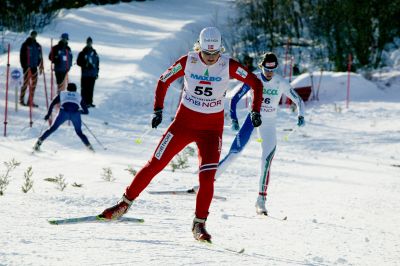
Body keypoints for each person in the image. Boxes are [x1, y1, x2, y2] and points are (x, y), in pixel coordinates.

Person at [99, 27, 263, 242]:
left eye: (214, 54)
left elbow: (256, 83)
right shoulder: (189, 61)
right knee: (155, 164)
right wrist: (158, 109)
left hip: (211, 132)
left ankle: (199, 224)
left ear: (220, 51)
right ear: (199, 48)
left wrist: (255, 110)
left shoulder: (228, 65)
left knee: (207, 179)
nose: (211, 59)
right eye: (206, 53)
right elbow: (163, 80)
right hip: (182, 125)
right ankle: (124, 204)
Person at [215, 52, 305, 215]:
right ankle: (207, 183)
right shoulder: (253, 79)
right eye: (266, 68)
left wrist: (301, 115)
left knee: (266, 160)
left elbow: (298, 100)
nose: (269, 72)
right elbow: (234, 100)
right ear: (261, 66)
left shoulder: (280, 82)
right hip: (252, 120)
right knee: (234, 154)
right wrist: (234, 119)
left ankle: (261, 199)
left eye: (273, 69)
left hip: (268, 123)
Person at [33, 83, 94, 152]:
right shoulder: (78, 95)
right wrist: (79, 112)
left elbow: (52, 103)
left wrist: (48, 114)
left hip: (63, 113)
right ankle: (90, 149)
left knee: (52, 129)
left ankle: (38, 144)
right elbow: (86, 112)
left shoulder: (62, 93)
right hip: (75, 114)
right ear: (75, 90)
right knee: (79, 133)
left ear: (67, 88)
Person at [19, 30, 44, 107]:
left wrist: (40, 65)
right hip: (27, 67)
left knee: (34, 84)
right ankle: (21, 100)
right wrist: (24, 66)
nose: (33, 36)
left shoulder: (38, 45)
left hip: (34, 67)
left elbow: (40, 56)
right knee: (26, 83)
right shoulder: (25, 44)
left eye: (35, 35)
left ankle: (30, 101)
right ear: (30, 35)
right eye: (32, 34)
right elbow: (22, 56)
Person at [77, 37, 100, 108]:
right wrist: (85, 64)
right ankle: (83, 103)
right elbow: (78, 62)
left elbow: (97, 64)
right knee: (84, 89)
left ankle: (89, 102)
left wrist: (97, 73)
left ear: (91, 43)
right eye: (88, 42)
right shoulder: (82, 52)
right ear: (86, 43)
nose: (89, 43)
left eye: (90, 42)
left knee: (91, 89)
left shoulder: (94, 52)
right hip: (85, 74)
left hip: (92, 74)